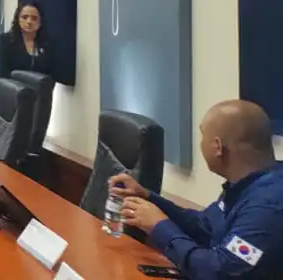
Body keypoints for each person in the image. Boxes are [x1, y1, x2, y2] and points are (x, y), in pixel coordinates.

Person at [111, 100, 282, 278]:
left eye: (203, 136)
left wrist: (159, 227)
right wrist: (148, 197)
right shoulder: (248, 183)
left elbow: (217, 272)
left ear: (217, 147)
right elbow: (205, 226)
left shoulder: (269, 205)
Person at [0, 2, 55, 79]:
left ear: (40, 22)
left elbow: (52, 75)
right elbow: (3, 74)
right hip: (13, 86)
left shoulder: (48, 43)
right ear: (17, 19)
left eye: (34, 18)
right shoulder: (5, 41)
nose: (29, 22)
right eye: (24, 17)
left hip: (41, 86)